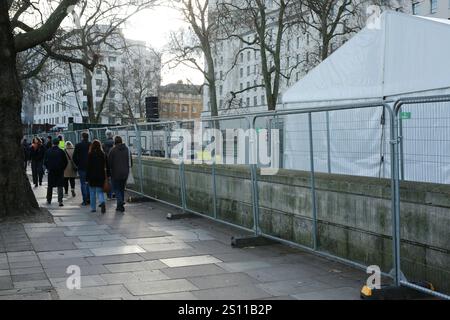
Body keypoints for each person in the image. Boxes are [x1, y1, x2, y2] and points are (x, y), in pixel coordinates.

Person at [108, 136, 132, 213]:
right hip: (125, 172)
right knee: (121, 189)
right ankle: (120, 206)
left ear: (115, 141)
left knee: (116, 189)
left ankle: (120, 201)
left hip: (115, 173)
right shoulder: (127, 150)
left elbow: (109, 163)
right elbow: (130, 161)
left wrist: (109, 171)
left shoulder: (113, 150)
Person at [44, 138, 68, 207]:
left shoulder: (48, 151)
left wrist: (48, 168)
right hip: (59, 171)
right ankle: (60, 201)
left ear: (52, 143)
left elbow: (45, 161)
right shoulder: (61, 151)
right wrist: (63, 168)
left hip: (51, 170)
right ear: (58, 143)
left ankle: (49, 199)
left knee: (50, 186)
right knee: (60, 186)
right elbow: (65, 162)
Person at [86, 140, 107, 214]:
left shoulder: (90, 154)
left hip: (92, 176)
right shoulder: (103, 154)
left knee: (92, 193)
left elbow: (88, 167)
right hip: (100, 175)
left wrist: (86, 178)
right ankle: (102, 202)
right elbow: (105, 166)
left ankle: (93, 208)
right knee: (100, 191)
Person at [73, 132, 91, 206]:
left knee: (83, 183)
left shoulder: (78, 145)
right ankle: (89, 198)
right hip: (90, 167)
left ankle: (85, 200)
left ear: (82, 137)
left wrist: (78, 164)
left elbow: (74, 157)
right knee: (89, 184)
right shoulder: (91, 145)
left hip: (81, 166)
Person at [102, 130, 115, 200]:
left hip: (107, 163)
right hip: (115, 163)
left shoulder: (104, 144)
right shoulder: (114, 143)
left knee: (108, 179)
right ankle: (113, 193)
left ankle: (109, 195)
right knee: (114, 179)